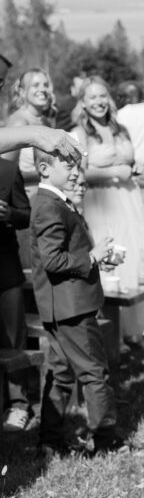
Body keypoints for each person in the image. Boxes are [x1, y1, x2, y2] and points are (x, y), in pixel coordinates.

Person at [74, 76, 144, 342]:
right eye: (93, 97)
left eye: (103, 96)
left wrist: (134, 168)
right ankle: (111, 332)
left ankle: (137, 329)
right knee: (110, 263)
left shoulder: (121, 128)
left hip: (130, 201)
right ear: (83, 103)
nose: (99, 102)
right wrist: (117, 170)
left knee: (138, 257)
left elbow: (129, 160)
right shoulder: (79, 133)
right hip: (101, 204)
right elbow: (79, 173)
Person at [30, 145, 120, 457]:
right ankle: (107, 441)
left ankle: (50, 440)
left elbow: (64, 255)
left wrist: (96, 261)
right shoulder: (49, 206)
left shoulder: (56, 202)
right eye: (67, 166)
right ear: (44, 170)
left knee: (61, 372)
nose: (75, 172)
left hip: (62, 306)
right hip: (72, 308)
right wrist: (91, 257)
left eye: (75, 166)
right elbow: (53, 260)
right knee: (95, 372)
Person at [0, 155, 31, 433]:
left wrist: (10, 214)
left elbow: (26, 215)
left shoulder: (8, 170)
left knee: (14, 339)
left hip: (6, 270)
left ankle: (19, 405)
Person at [5, 68, 56, 189]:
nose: (42, 89)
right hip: (25, 193)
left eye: (45, 85)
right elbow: (5, 166)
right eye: (35, 85)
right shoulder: (18, 122)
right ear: (22, 91)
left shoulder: (46, 121)